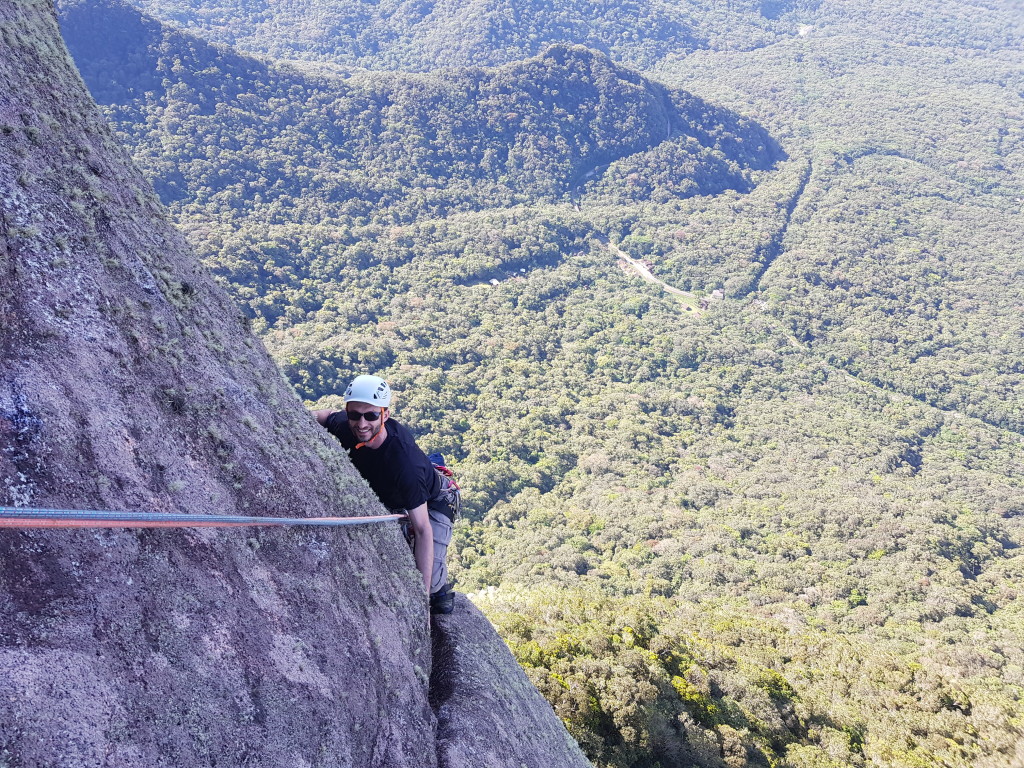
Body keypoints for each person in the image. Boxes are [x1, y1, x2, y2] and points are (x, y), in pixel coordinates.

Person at [311, 374, 455, 615]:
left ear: (385, 415)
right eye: (354, 414)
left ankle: (440, 590)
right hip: (392, 494)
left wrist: (421, 601)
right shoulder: (348, 425)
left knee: (430, 586)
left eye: (370, 416)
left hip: (434, 499)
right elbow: (326, 416)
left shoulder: (404, 465)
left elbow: (422, 529)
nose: (361, 424)